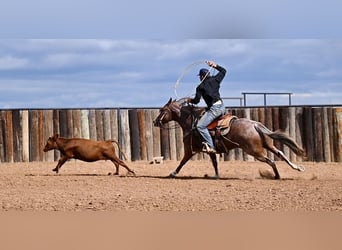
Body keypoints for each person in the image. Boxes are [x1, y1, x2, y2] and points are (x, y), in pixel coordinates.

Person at [187, 60, 226, 153]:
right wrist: (215, 65)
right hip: (222, 107)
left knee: (200, 126)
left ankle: (211, 146)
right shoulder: (215, 79)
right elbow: (224, 71)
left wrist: (190, 100)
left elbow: (196, 101)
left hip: (214, 109)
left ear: (201, 76)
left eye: (199, 77)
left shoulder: (200, 87)